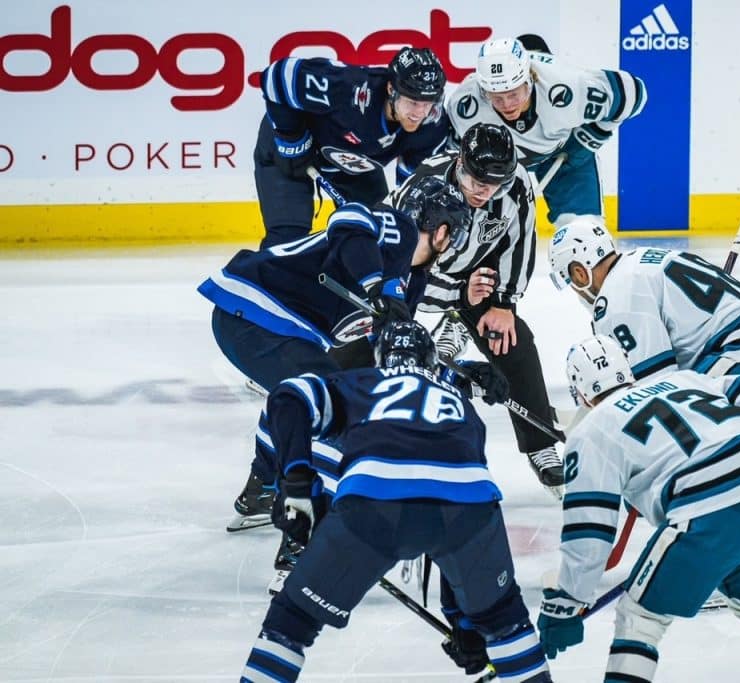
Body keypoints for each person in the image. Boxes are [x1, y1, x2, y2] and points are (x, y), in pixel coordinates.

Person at [239, 321, 552, 683]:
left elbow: (287, 396)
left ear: (379, 359)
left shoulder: (361, 382)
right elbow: (448, 505)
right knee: (504, 621)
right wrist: (466, 622)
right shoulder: (457, 401)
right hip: (469, 506)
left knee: (292, 622)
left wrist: (295, 481)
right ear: (433, 361)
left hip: (373, 507)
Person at [197, 175, 472, 541]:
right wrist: (377, 285)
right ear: (442, 231)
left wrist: (461, 377)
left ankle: (261, 490)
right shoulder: (399, 230)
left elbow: (397, 357)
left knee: (309, 397)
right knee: (334, 409)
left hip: (274, 329)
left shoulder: (413, 282)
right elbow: (348, 220)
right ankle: (301, 538)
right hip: (255, 309)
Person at [536, 335, 740, 683]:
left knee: (639, 619)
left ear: (581, 394)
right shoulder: (688, 379)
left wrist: (567, 601)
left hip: (708, 514)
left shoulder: (591, 430)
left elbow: (590, 531)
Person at [548, 219, 740, 513]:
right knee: (706, 398)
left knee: (692, 415)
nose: (575, 292)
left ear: (580, 272)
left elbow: (656, 388)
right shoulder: (642, 259)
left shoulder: (616, 302)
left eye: (571, 282)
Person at [390, 121, 564, 495]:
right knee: (373, 349)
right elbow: (404, 270)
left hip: (475, 275)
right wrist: (458, 296)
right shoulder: (424, 191)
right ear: (459, 163)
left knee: (512, 341)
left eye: (494, 183)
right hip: (410, 272)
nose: (484, 190)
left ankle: (541, 442)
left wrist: (503, 303)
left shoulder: (514, 185)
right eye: (475, 180)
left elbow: (520, 242)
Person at [255, 47, 449, 248]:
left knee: (380, 238)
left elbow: (411, 192)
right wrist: (292, 139)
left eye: (428, 103)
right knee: (287, 241)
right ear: (391, 90)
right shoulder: (348, 89)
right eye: (413, 102)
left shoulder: (432, 127)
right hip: (290, 150)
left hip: (354, 164)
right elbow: (277, 76)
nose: (420, 113)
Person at [446, 36, 647, 227]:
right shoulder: (465, 105)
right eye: (497, 97)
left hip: (564, 156)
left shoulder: (567, 87)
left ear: (529, 81)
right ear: (483, 91)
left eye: (514, 94)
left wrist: (587, 139)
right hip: (494, 167)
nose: (507, 105)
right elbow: (453, 156)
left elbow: (634, 93)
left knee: (583, 232)